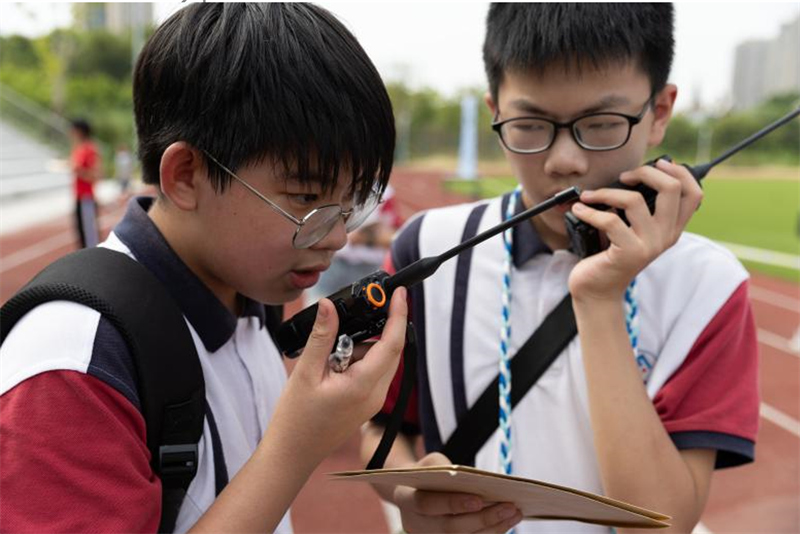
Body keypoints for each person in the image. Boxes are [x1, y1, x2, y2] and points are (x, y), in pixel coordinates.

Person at [0, 4, 406, 534]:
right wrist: (294, 447)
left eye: (352, 201)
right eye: (307, 197)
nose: (336, 236)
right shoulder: (75, 364)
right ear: (186, 175)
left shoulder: (248, 293)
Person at [361, 4, 759, 534]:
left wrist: (599, 298)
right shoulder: (430, 248)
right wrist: (412, 492)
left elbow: (663, 524)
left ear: (660, 111)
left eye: (600, 124)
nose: (564, 161)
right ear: (494, 110)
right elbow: (382, 431)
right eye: (529, 125)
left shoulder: (709, 286)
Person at [305, 184, 402, 304]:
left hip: (365, 267)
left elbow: (392, 236)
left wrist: (365, 236)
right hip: (331, 263)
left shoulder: (384, 191)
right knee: (316, 312)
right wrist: (372, 233)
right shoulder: (327, 182)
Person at [70, 118, 101, 248]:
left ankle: (94, 264)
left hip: (86, 198)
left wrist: (78, 171)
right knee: (81, 234)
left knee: (90, 238)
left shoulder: (90, 149)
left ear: (80, 131)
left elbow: (96, 175)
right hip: (78, 197)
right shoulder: (78, 148)